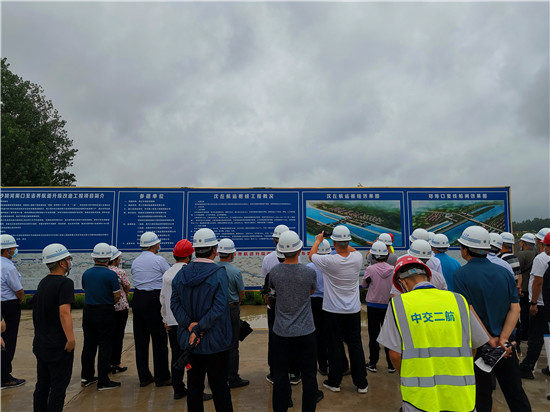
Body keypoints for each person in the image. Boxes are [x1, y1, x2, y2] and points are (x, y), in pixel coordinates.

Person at [378, 255, 489, 412]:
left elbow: (395, 355)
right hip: (461, 396)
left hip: (420, 399)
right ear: (428, 277)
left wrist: (409, 375)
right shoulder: (458, 300)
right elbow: (473, 347)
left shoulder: (399, 305)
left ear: (402, 282)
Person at [453, 226, 531, 412]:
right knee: (515, 393)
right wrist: (503, 339)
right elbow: (515, 307)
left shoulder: (460, 275)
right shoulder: (504, 272)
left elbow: (468, 311)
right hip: (506, 346)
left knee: (481, 396)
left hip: (479, 346)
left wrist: (489, 340)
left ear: (465, 250)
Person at [171, 228, 233, 412]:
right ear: (214, 250)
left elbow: (174, 304)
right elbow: (219, 307)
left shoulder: (181, 274)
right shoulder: (218, 273)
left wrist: (190, 325)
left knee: (194, 387)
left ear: (194, 250)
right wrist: (199, 327)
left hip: (190, 343)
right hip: (216, 343)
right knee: (220, 387)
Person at [309, 225, 369, 394]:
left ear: (334, 243)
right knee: (355, 345)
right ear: (348, 241)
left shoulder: (329, 261)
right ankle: (362, 383)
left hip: (333, 310)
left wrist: (319, 240)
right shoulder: (357, 258)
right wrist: (341, 241)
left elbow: (311, 255)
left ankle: (334, 382)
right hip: (353, 310)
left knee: (334, 345)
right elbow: (350, 248)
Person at [269, 230, 322, 412]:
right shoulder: (309, 272)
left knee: (280, 376)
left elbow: (273, 293)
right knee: (309, 376)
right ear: (299, 250)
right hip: (306, 331)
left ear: (281, 251)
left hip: (281, 332)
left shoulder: (274, 272)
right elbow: (311, 291)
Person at [33, 243, 76, 411]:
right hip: (58, 345)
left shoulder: (43, 282)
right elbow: (64, 312)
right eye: (68, 259)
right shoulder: (65, 283)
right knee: (58, 387)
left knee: (42, 385)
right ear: (62, 263)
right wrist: (70, 339)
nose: (70, 262)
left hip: (41, 343)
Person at [261, 224, 301, 385]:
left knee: (274, 340)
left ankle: (275, 373)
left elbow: (266, 285)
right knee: (294, 339)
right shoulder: (298, 259)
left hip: (274, 306)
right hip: (293, 306)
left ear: (274, 240)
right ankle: (294, 373)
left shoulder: (268, 259)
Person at [131, 231, 172, 387]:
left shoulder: (135, 261)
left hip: (138, 298)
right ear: (154, 245)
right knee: (159, 340)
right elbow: (168, 276)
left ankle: (144, 377)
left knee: (141, 340)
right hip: (154, 299)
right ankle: (162, 377)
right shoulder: (159, 260)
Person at [81, 242, 121, 390]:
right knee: (105, 346)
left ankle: (87, 377)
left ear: (94, 258)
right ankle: (103, 380)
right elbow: (116, 295)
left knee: (89, 345)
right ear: (109, 258)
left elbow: (86, 289)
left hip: (88, 311)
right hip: (105, 311)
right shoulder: (111, 274)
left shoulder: (86, 273)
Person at [160, 239, 196, 400]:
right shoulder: (189, 272)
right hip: (187, 323)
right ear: (189, 256)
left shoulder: (167, 273)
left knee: (177, 356)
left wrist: (165, 319)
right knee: (193, 357)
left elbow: (162, 298)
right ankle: (195, 389)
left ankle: (178, 389)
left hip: (172, 322)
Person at [217, 238, 249, 389]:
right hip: (232, 310)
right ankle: (233, 378)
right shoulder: (235, 272)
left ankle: (218, 376)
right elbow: (241, 292)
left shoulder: (213, 269)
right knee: (233, 344)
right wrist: (238, 302)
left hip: (216, 310)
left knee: (217, 342)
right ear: (232, 254)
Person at [519, 228, 550, 379]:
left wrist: (533, 303)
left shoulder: (541, 259)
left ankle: (527, 366)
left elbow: (537, 282)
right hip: (547, 302)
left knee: (535, 337)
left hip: (541, 304)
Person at [361, 241, 395, 374]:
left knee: (373, 335)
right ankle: (391, 364)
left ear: (374, 256)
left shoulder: (370, 269)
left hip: (373, 305)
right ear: (386, 256)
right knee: (389, 335)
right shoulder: (392, 269)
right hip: (388, 305)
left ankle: (373, 363)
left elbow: (364, 284)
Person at [0, 234, 25, 389]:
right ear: (7, 250)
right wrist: (20, 300)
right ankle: (4, 377)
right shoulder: (8, 267)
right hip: (8, 306)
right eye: (13, 248)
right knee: (8, 340)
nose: (15, 250)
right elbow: (18, 290)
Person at [307, 239, 331, 375]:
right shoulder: (333, 264)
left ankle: (322, 365)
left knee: (318, 333)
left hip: (314, 301)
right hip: (329, 301)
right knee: (330, 333)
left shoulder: (310, 266)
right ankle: (334, 364)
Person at [108, 246, 130, 375]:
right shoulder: (119, 272)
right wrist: (125, 294)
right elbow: (127, 285)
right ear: (115, 259)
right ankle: (116, 362)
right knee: (118, 335)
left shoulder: (103, 271)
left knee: (107, 336)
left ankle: (107, 362)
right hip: (120, 307)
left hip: (106, 308)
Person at [516, 233, 538, 345]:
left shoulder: (521, 254)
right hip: (533, 287)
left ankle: (525, 334)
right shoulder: (537, 253)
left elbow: (517, 270)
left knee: (524, 312)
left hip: (523, 287)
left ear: (524, 243)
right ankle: (533, 333)